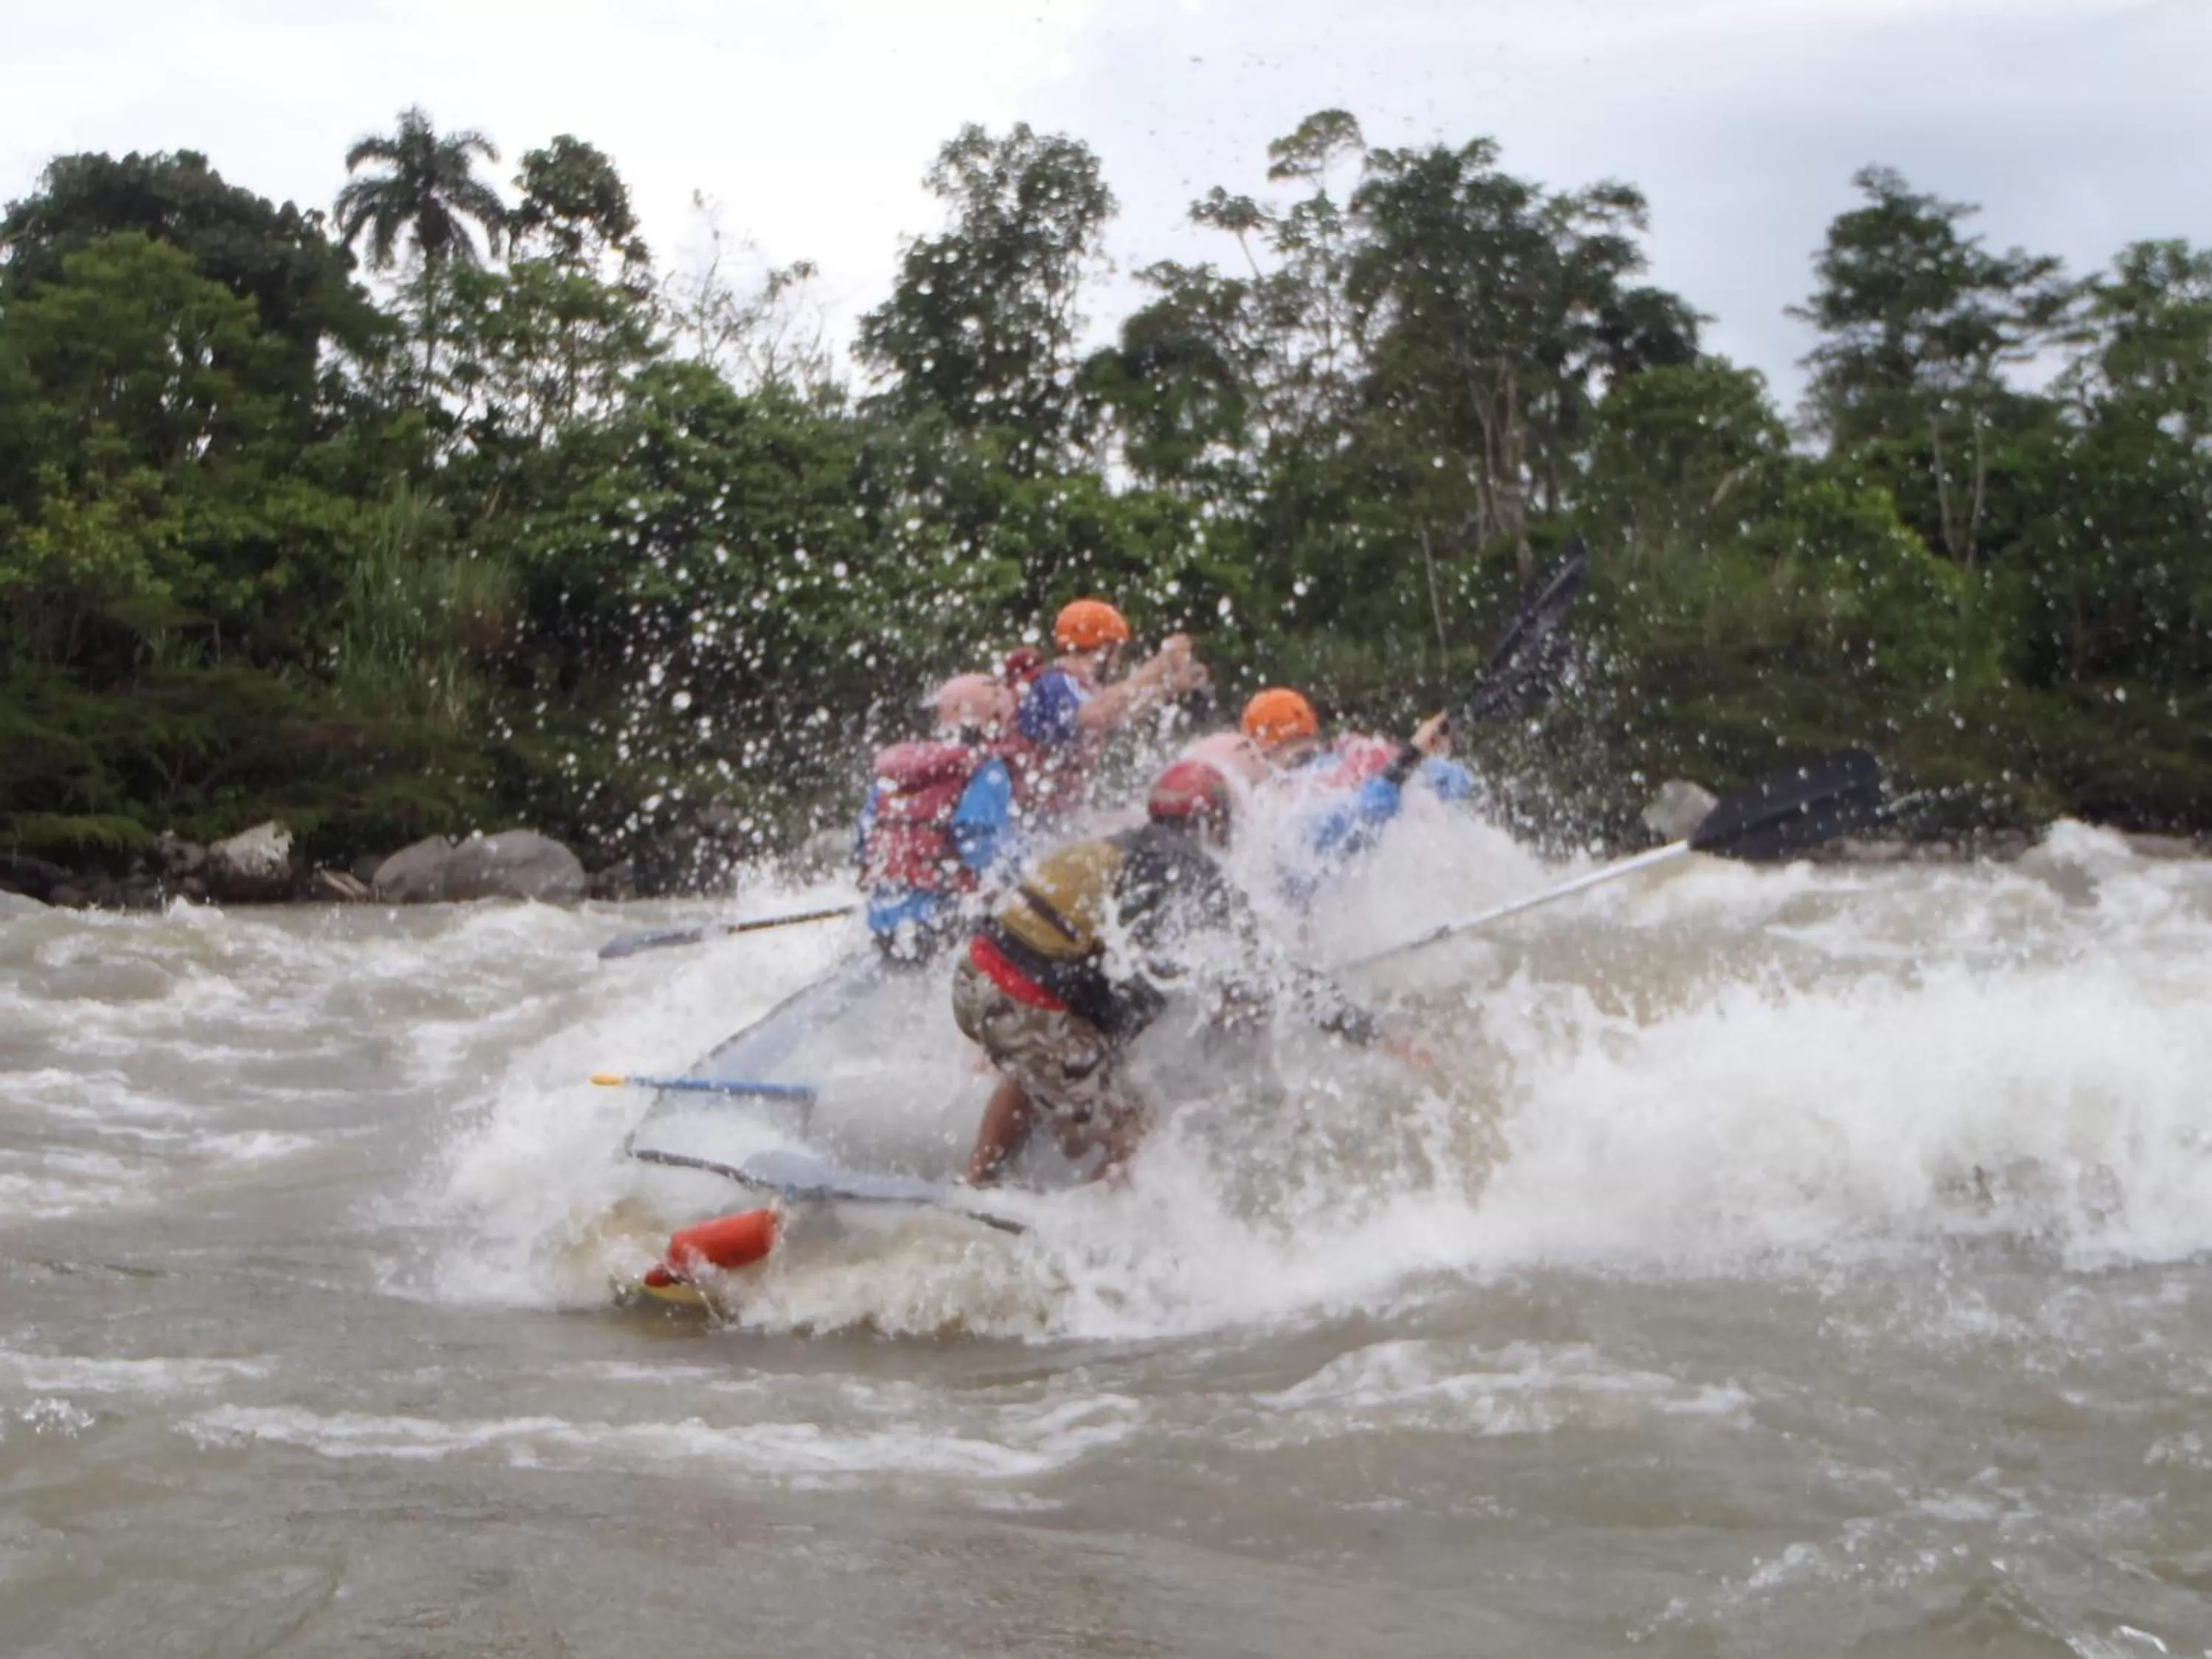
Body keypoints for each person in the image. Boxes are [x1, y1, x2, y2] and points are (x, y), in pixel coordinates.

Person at [951, 759, 1423, 1186]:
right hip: (1025, 1006)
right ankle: (1098, 1236)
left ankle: (977, 1182)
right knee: (1138, 1138)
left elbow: (1096, 962)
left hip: (974, 978)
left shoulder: (1121, 848)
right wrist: (1373, 1034)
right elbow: (1276, 971)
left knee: (1046, 1066)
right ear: (1210, 820)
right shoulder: (1187, 870)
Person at [853, 673, 1020, 963]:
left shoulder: (896, 771)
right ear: (992, 720)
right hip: (945, 922)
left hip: (886, 922)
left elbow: (862, 843)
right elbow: (976, 841)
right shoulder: (987, 770)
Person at [1239, 688, 1475, 886]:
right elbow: (1458, 782)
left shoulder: (1280, 798)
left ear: (1261, 753)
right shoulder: (1359, 755)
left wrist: (1411, 757)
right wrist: (1414, 756)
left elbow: (1355, 819)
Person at [1004, 599, 1210, 818]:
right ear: (1106, 648)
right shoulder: (1055, 682)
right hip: (1026, 814)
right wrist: (1161, 663)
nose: (1117, 661)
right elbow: (1096, 715)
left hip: (1046, 811)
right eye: (1118, 651)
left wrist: (1170, 687)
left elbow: (1117, 713)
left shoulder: (1077, 688)